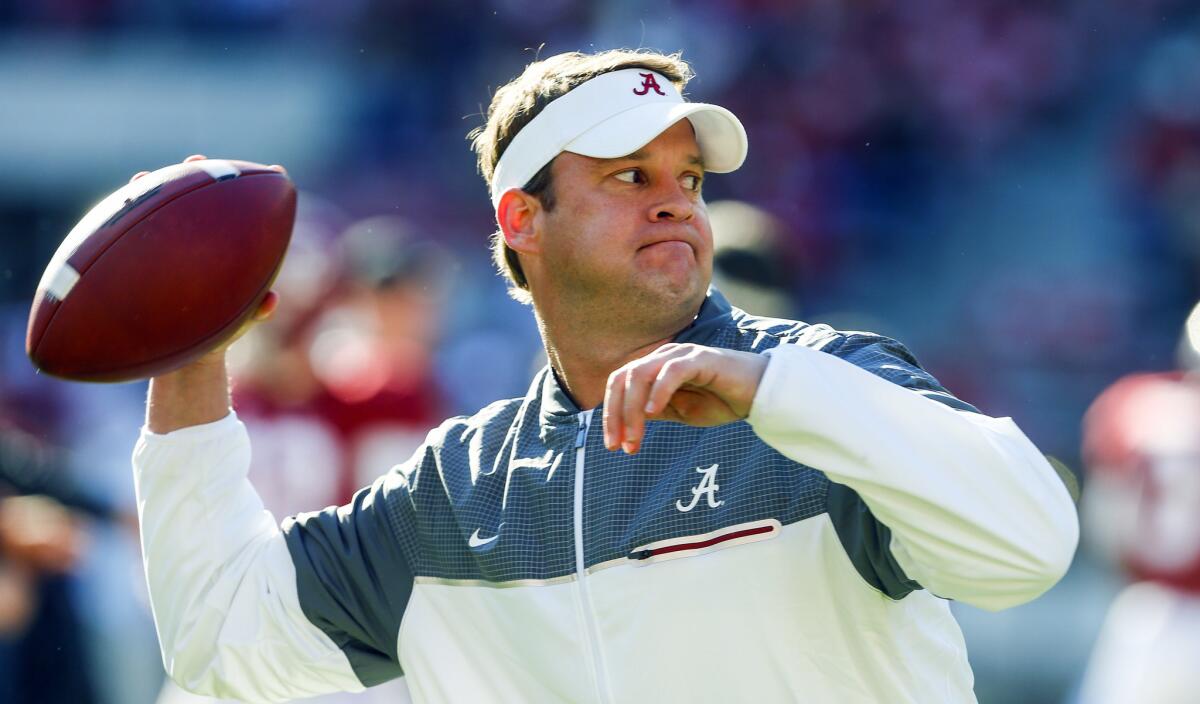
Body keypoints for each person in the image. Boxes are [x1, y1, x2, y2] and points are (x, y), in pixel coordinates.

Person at [132, 49, 1078, 703]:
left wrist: (774, 395)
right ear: (521, 220)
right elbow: (224, 637)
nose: (676, 203)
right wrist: (187, 351)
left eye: (691, 180)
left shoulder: (826, 382)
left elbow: (1028, 546)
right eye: (631, 177)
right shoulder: (457, 491)